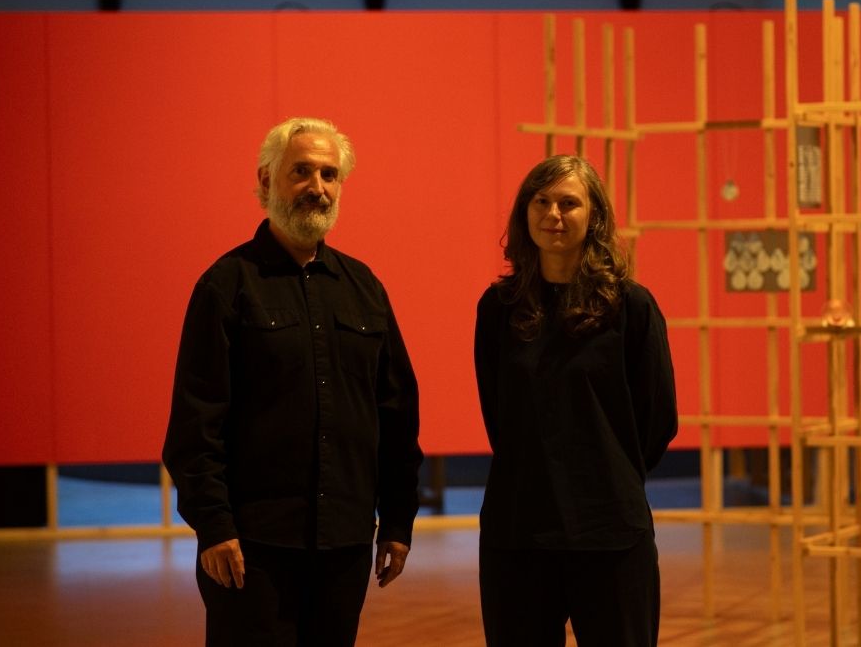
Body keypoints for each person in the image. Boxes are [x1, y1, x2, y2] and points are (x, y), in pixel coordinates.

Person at [162, 117, 422, 646]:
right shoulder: (225, 286)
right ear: (265, 182)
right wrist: (214, 526)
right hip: (251, 548)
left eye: (329, 174)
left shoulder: (364, 288)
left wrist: (397, 521)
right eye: (300, 172)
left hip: (345, 547)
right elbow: (196, 422)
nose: (317, 187)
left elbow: (396, 414)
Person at [473, 154, 678, 647]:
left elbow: (658, 419)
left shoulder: (632, 305)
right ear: (525, 213)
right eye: (541, 202)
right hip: (518, 531)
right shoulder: (498, 309)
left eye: (569, 203)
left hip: (610, 532)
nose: (553, 215)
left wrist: (607, 474)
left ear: (595, 216)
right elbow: (497, 414)